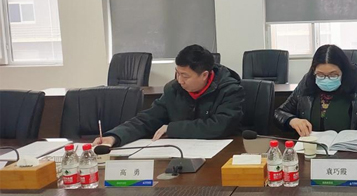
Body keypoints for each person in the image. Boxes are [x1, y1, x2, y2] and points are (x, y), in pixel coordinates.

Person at [94, 45, 245, 147]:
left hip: (223, 155)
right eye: (177, 73)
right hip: (181, 153)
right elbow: (147, 119)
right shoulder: (174, 89)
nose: (180, 80)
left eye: (185, 76)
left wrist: (173, 129)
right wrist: (115, 136)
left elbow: (219, 126)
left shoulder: (229, 90)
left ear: (204, 75)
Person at [274, 44, 357, 142]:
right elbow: (280, 113)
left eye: (333, 75)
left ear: (343, 72)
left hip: (350, 152)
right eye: (320, 75)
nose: (326, 79)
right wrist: (292, 120)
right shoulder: (306, 84)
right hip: (312, 150)